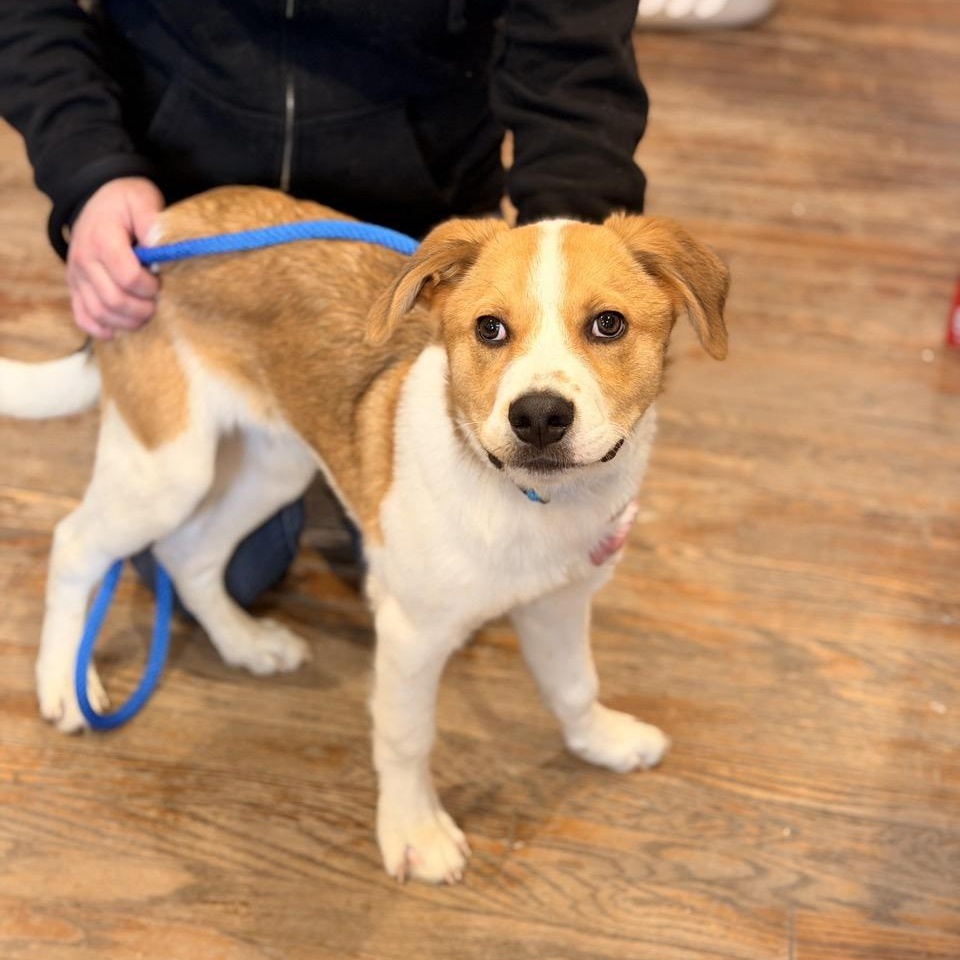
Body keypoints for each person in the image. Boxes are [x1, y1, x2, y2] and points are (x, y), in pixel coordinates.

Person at [0, 0, 651, 606]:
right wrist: (90, 167)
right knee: (221, 562)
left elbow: (575, 43)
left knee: (470, 562)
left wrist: (575, 297)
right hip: (194, 246)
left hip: (414, 237)